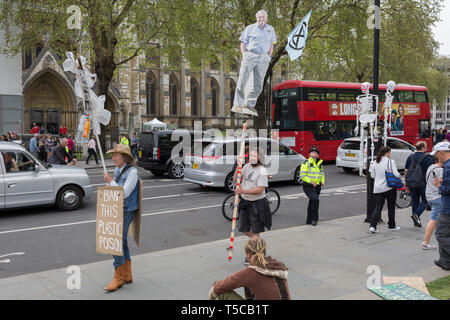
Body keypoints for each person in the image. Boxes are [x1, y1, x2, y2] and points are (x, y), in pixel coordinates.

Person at [103, 144, 140, 291]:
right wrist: (109, 184)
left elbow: (124, 192)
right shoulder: (119, 169)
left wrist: (111, 181)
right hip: (117, 208)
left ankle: (118, 277)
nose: (112, 158)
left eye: (115, 156)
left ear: (123, 157)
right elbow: (114, 188)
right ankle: (126, 275)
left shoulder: (133, 172)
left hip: (127, 209)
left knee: (115, 240)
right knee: (121, 240)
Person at [208, 238, 290, 300]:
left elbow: (218, 287)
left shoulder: (251, 272)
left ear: (248, 255)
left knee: (223, 292)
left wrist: (210, 296)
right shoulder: (277, 266)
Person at [232, 10, 276, 116]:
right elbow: (243, 43)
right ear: (257, 18)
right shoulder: (249, 28)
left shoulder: (271, 30)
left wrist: (269, 56)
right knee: (242, 79)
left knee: (259, 85)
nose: (261, 19)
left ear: (267, 18)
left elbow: (272, 44)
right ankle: (238, 104)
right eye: (259, 17)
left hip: (263, 58)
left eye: (263, 17)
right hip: (250, 55)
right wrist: (245, 55)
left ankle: (249, 104)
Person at [234, 148, 271, 239]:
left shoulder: (262, 171)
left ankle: (257, 249)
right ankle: (258, 243)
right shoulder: (247, 166)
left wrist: (242, 191)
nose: (252, 158)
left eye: (255, 156)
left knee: (256, 231)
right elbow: (235, 178)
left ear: (260, 158)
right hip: (245, 202)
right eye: (251, 156)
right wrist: (238, 166)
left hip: (257, 204)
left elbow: (259, 190)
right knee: (243, 228)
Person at [369, 146, 401, 233]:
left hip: (378, 188)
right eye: (390, 152)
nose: (390, 154)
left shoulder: (375, 162)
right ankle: (391, 226)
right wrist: (400, 176)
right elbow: (396, 174)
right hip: (389, 188)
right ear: (387, 153)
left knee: (378, 207)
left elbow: (372, 176)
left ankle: (373, 226)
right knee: (391, 207)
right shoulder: (391, 161)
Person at [422, 142, 447, 250]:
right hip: (437, 197)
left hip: (430, 196)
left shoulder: (431, 167)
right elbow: (443, 183)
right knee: (434, 220)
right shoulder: (440, 170)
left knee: (437, 219)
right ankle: (425, 242)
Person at [405, 141, 434, 228]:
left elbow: (406, 171)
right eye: (425, 146)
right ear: (422, 148)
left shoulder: (410, 157)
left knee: (415, 201)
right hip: (423, 183)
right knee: (426, 200)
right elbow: (431, 171)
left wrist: (407, 183)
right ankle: (416, 215)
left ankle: (416, 221)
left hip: (411, 183)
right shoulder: (428, 158)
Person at [435, 142, 450, 270]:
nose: (436, 157)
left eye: (436, 154)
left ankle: (445, 260)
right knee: (446, 233)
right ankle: (445, 261)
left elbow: (448, 189)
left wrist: (440, 186)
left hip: (447, 207)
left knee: (441, 234)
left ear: (442, 152)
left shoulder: (448, 166)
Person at [300, 147, 325, 226]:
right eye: (312, 152)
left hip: (317, 186)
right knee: (315, 199)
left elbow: (322, 174)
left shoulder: (320, 163)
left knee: (312, 202)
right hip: (308, 186)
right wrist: (310, 182)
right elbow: (303, 175)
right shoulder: (306, 163)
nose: (314, 153)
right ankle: (314, 219)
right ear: (309, 154)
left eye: (315, 152)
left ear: (318, 155)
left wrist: (322, 181)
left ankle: (309, 220)